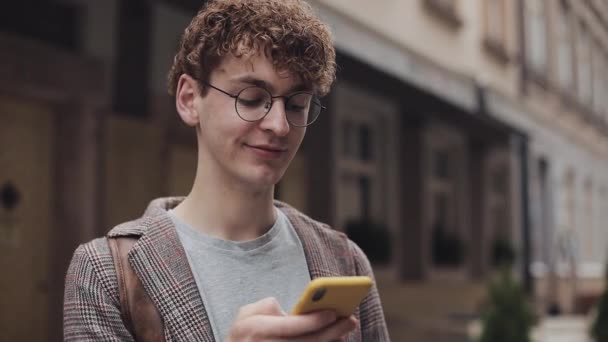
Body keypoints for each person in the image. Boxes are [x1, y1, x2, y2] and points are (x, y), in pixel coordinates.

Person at [63, 0, 389, 341]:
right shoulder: (105, 273)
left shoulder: (345, 261)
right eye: (250, 98)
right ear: (190, 99)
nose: (279, 125)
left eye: (296, 105)